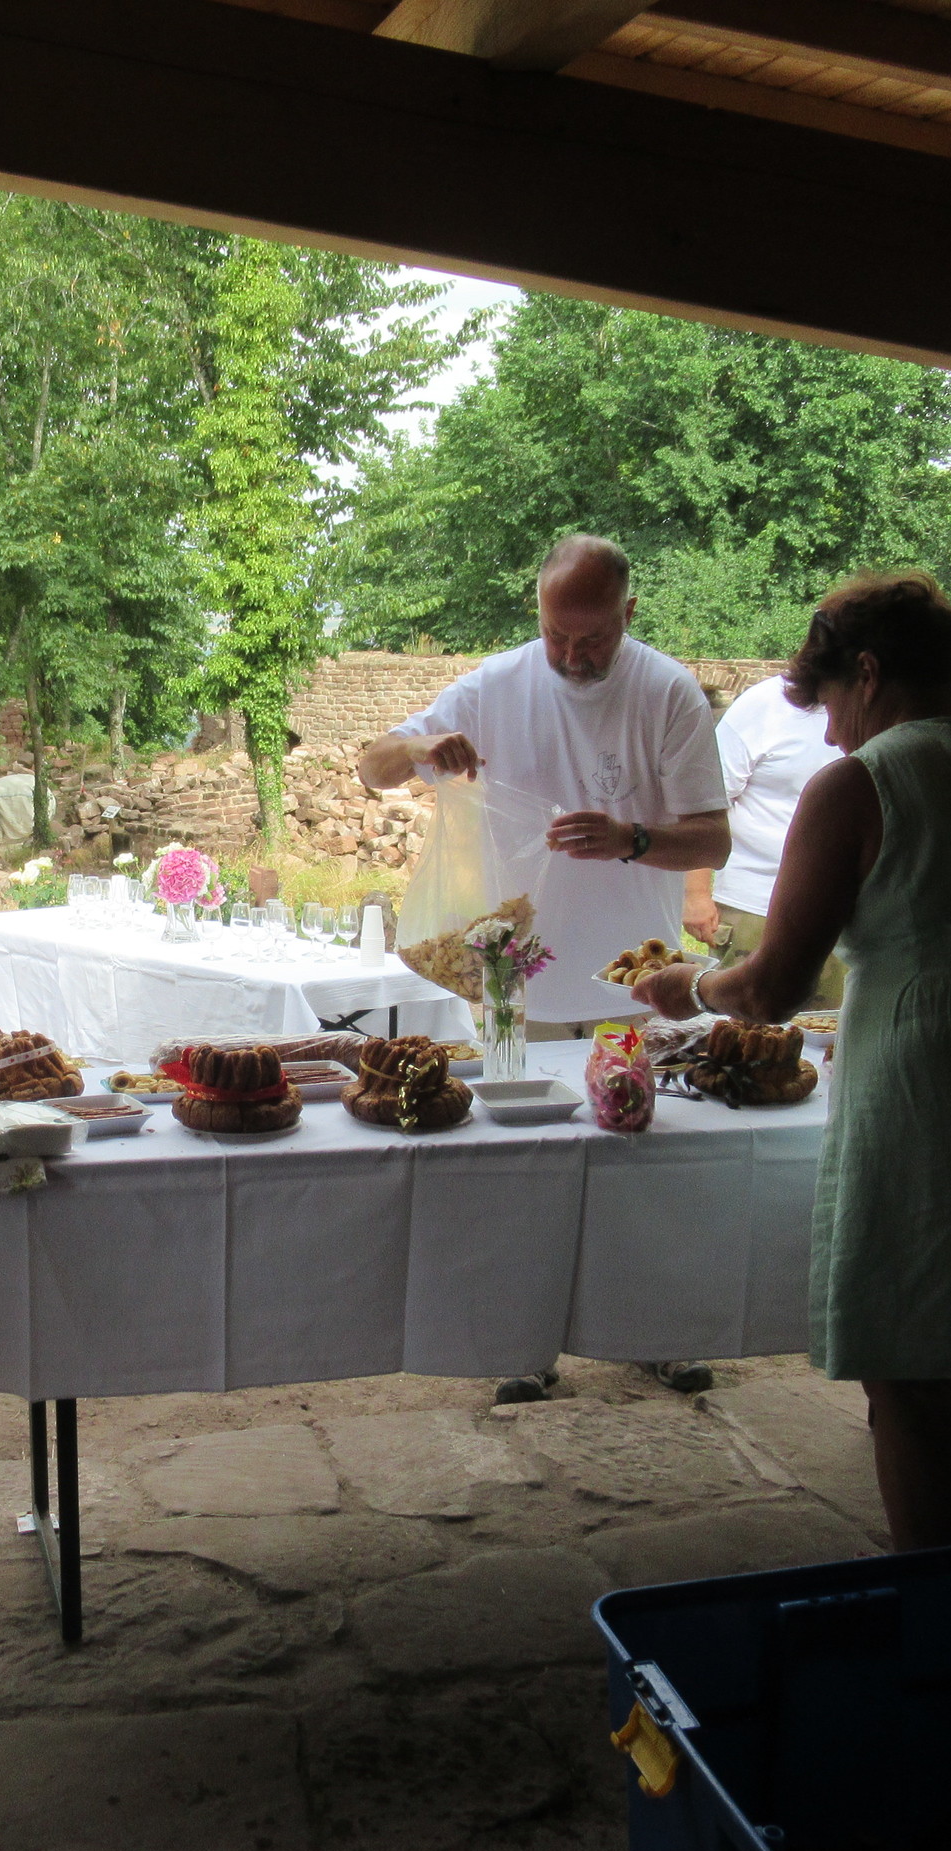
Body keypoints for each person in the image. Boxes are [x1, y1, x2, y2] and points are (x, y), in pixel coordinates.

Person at [635, 575, 951, 1551]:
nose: (831, 734)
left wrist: (691, 988)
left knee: (909, 1346)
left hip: (935, 1081)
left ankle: (928, 1582)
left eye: (830, 704)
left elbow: (774, 986)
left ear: (868, 674)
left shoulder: (858, 785)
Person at [359, 535, 729, 1403]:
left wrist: (631, 838)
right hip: (509, 975)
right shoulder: (495, 684)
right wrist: (427, 744)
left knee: (639, 1164)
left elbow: (711, 838)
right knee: (520, 1167)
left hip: (630, 979)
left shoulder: (668, 693)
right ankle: (521, 1343)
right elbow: (373, 767)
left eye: (592, 638)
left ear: (629, 613)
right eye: (556, 634)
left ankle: (656, 1332)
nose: (570, 655)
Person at [682, 672, 846, 1008]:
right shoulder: (763, 705)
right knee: (743, 1029)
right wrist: (695, 894)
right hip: (755, 908)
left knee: (827, 1031)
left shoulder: (877, 709)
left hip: (843, 915)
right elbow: (706, 805)